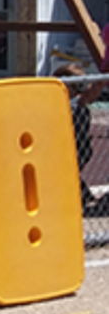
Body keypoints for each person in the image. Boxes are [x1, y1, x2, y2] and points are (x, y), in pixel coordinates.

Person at [53, 63, 104, 214]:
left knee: (65, 171)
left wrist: (99, 80)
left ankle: (82, 195)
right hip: (68, 148)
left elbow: (89, 95)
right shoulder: (59, 103)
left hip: (79, 149)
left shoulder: (76, 103)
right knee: (65, 173)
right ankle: (84, 194)